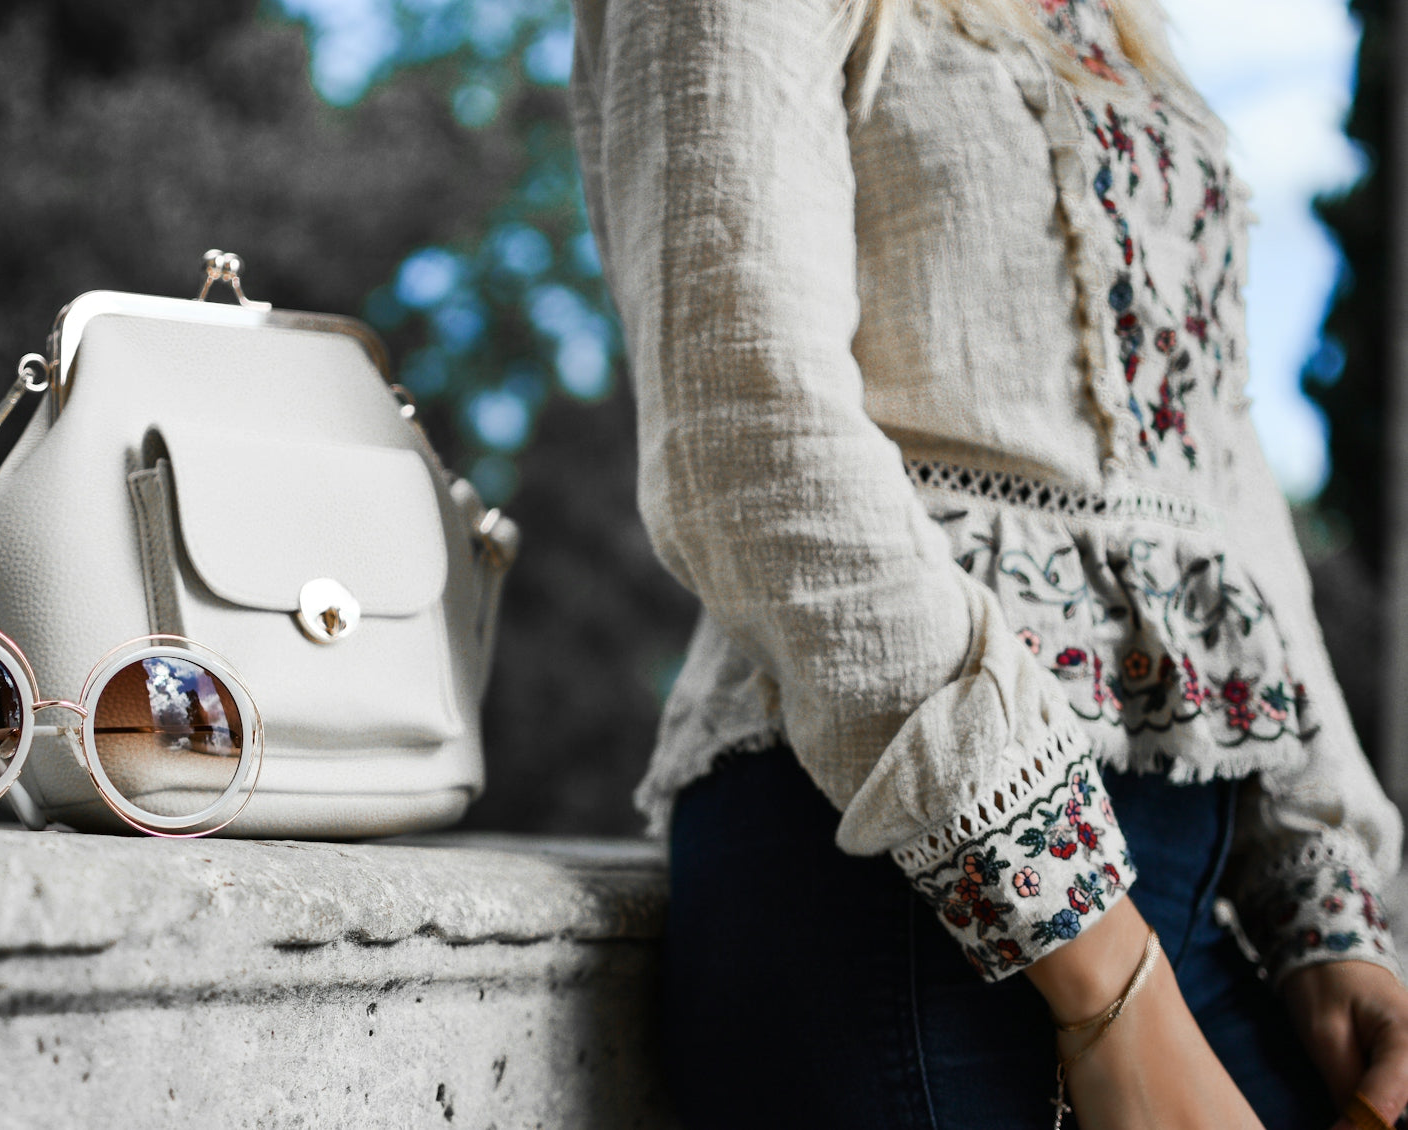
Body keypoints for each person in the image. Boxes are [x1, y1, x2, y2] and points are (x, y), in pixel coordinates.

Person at [566, 0, 1408, 1125]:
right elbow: (746, 425)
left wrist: (1321, 911)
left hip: (1182, 911)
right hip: (906, 895)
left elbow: (1211, 473)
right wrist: (1108, 984)